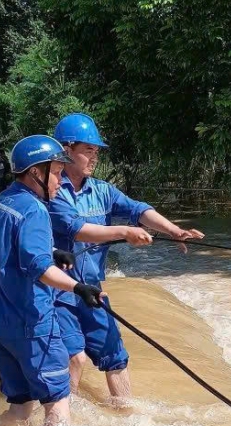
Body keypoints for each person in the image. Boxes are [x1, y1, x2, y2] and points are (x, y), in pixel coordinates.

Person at [49, 113, 204, 403]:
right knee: (76, 358)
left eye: (96, 151)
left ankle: (127, 416)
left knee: (115, 355)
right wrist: (124, 231)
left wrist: (173, 230)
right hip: (58, 292)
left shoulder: (102, 191)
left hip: (93, 290)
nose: (94, 158)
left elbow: (137, 209)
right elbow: (76, 229)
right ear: (67, 151)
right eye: (87, 151)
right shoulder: (54, 190)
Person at [0, 134, 105, 426]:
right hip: (31, 327)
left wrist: (51, 251)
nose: (60, 182)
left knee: (21, 407)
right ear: (37, 172)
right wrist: (79, 287)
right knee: (57, 401)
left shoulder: (3, 202)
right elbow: (40, 269)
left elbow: (13, 249)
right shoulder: (35, 210)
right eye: (58, 172)